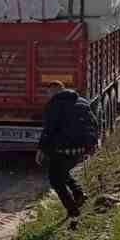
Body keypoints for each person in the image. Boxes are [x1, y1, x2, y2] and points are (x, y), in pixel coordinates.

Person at [37, 81, 96, 226]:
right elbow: (93, 123)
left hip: (61, 149)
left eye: (48, 93)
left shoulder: (54, 105)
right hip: (80, 149)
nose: (48, 96)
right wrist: (92, 143)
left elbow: (49, 130)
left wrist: (41, 149)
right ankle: (79, 193)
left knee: (55, 180)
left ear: (53, 92)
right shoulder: (82, 101)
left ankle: (73, 211)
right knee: (62, 171)